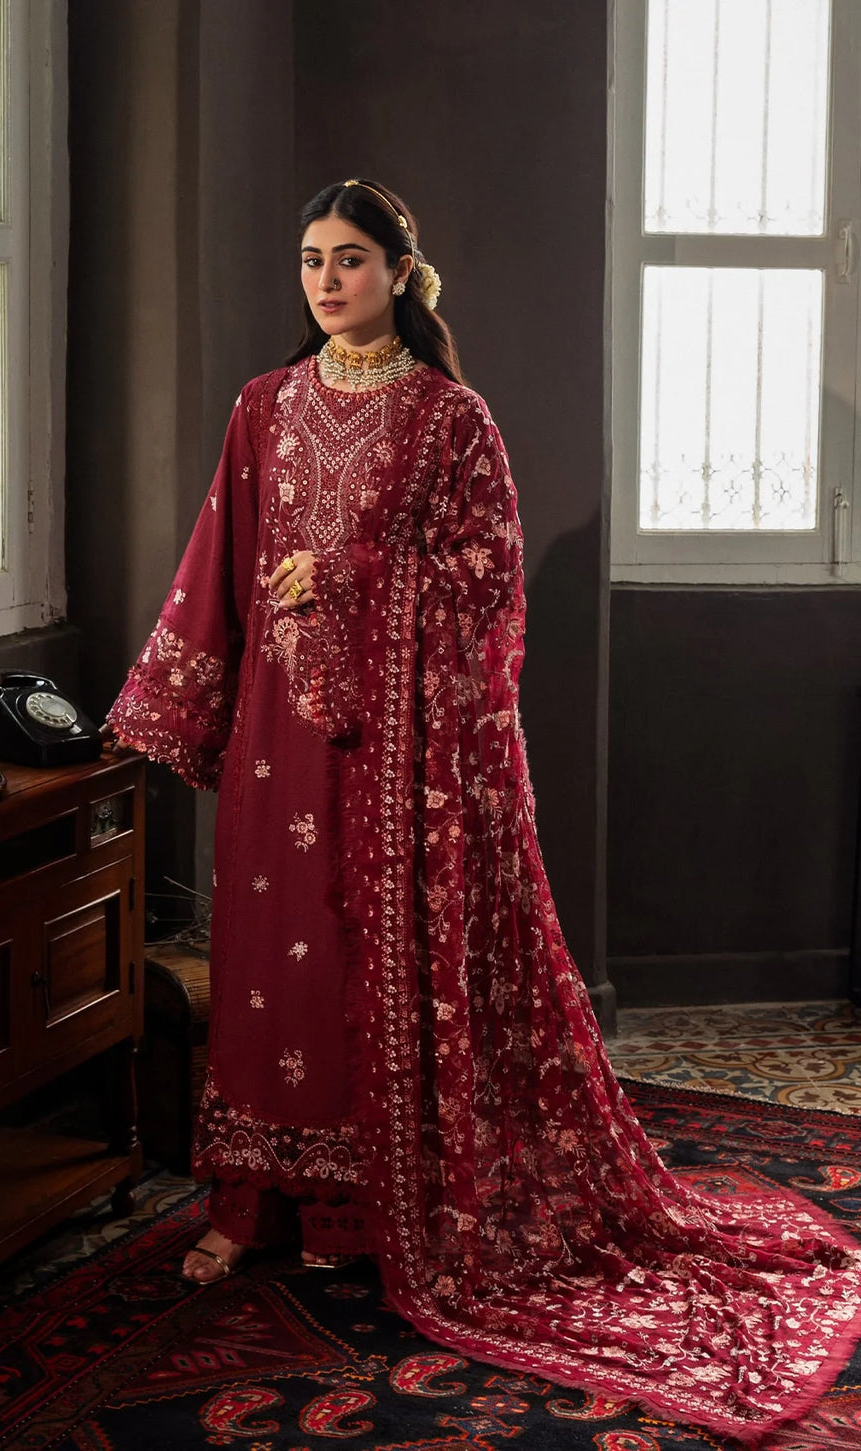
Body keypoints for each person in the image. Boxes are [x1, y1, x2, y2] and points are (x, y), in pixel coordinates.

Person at [106, 178, 861, 1441]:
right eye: (310, 260)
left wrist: (349, 578)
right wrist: (195, 704)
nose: (326, 281)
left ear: (403, 272)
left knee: (367, 960)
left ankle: (369, 1206)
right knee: (269, 968)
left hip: (401, 760)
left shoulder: (452, 421)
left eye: (350, 259)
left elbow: (489, 586)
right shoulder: (262, 410)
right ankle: (253, 1207)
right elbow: (217, 564)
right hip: (280, 742)